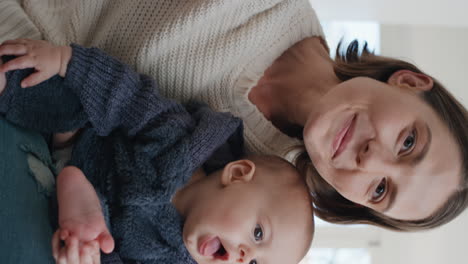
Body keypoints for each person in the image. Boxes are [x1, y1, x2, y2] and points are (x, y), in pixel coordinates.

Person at [1, 0, 467, 231]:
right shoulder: (275, 6)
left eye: (381, 190)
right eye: (408, 142)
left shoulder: (251, 189)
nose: (371, 159)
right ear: (409, 83)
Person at [0, 39, 314, 264]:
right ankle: (6, 83)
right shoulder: (179, 139)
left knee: (87, 249)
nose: (245, 257)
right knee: (69, 100)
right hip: (78, 138)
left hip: (93, 223)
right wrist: (66, 61)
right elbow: (127, 98)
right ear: (238, 173)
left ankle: (83, 208)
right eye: (258, 233)